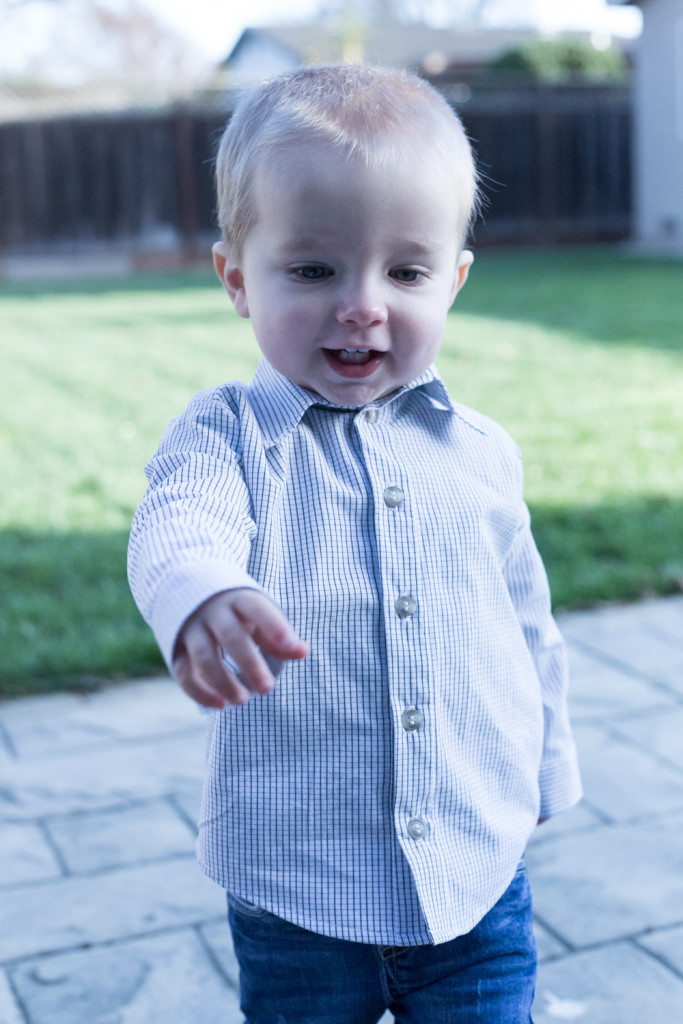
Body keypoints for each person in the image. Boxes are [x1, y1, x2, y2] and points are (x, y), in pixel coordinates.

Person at [128, 64, 581, 1023]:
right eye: (312, 268)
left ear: (453, 280)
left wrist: (547, 767)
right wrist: (202, 594)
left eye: (405, 271)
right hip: (299, 886)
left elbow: (524, 620)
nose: (362, 304)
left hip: (474, 876)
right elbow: (177, 524)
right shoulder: (225, 438)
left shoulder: (481, 452)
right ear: (237, 280)